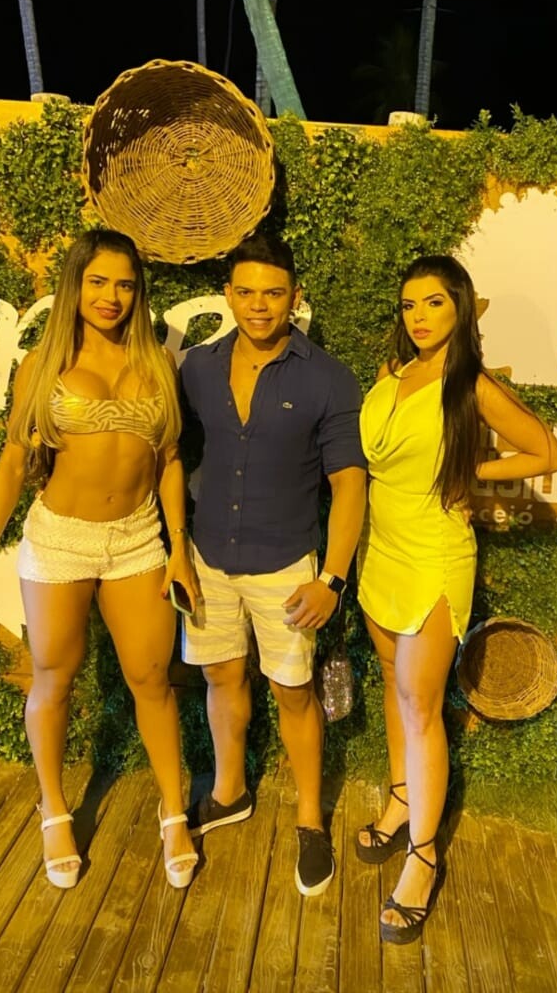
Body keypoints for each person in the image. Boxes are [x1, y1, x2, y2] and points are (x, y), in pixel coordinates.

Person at [0, 229, 200, 891]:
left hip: (138, 539)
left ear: (138, 292)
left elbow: (170, 460)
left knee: (152, 678)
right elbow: (13, 460)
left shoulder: (158, 364)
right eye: (98, 282)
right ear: (75, 286)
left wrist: (178, 548)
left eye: (124, 284)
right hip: (59, 539)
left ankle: (173, 811)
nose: (111, 296)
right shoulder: (43, 364)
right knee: (52, 678)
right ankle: (54, 810)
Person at [355, 253, 557, 944]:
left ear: (461, 307)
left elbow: (547, 453)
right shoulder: (392, 373)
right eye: (408, 304)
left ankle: (423, 857)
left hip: (433, 557)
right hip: (380, 549)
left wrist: (473, 470)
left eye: (434, 303)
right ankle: (400, 800)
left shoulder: (471, 383)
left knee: (421, 708)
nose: (418, 317)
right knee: (393, 685)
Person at [179, 232, 366, 896]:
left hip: (287, 564)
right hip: (207, 557)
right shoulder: (197, 368)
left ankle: (310, 819)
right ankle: (230, 791)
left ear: (295, 297)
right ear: (228, 296)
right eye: (247, 292)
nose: (259, 305)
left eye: (274, 293)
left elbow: (349, 483)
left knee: (293, 691)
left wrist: (332, 579)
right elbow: (172, 457)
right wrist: (176, 551)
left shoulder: (328, 377)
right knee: (221, 675)